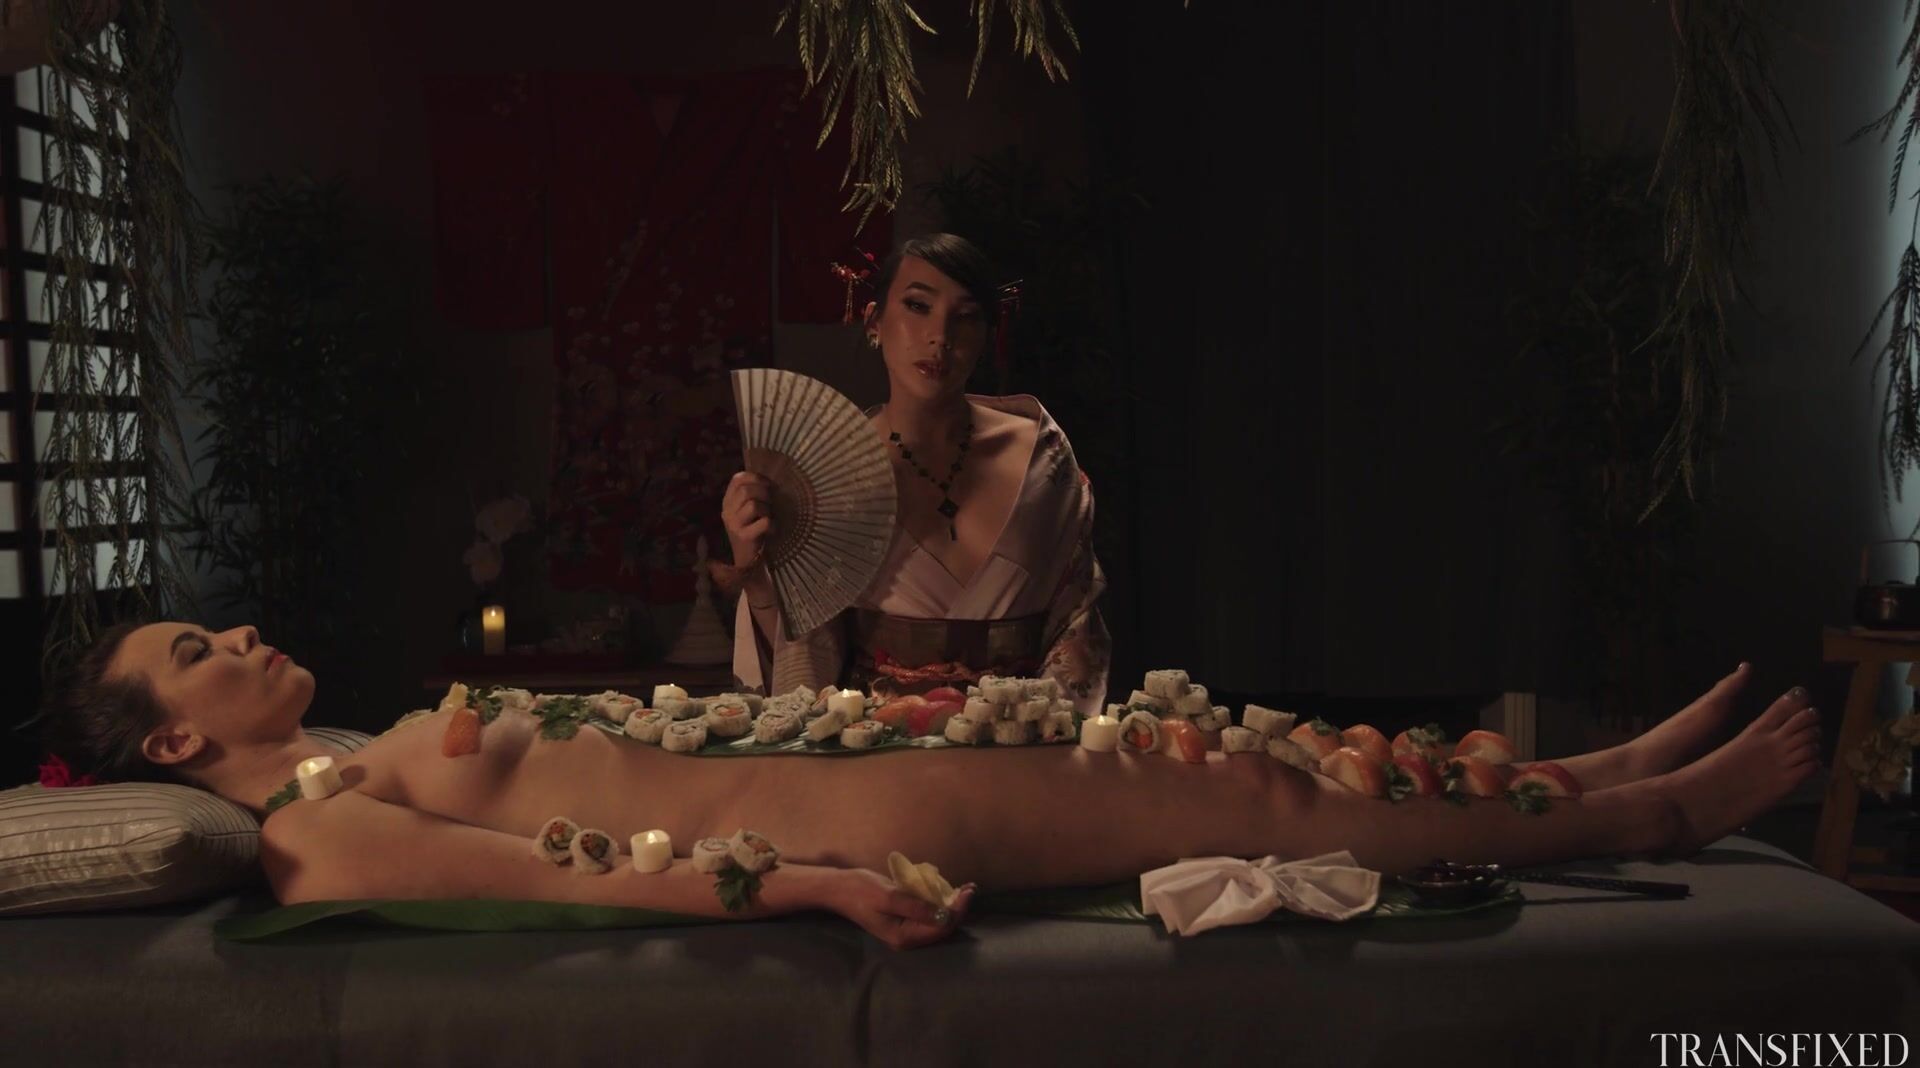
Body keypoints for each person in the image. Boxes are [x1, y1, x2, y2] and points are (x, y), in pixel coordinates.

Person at [40, 623, 1819, 949]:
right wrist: (811, 886)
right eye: (198, 648)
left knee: (1247, 747)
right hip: (867, 819)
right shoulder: (313, 830)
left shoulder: (350, 752)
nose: (239, 634)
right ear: (175, 744)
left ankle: (1581, 772)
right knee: (1263, 806)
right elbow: (569, 877)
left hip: (862, 751)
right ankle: (1640, 818)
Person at [723, 234, 1110, 711]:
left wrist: (1039, 736)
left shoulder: (1042, 457)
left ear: (987, 335)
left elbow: (1075, 625)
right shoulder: (827, 476)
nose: (939, 336)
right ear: (874, 322)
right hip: (878, 741)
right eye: (917, 306)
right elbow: (804, 670)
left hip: (1021, 737)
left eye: (965, 317)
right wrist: (755, 571)